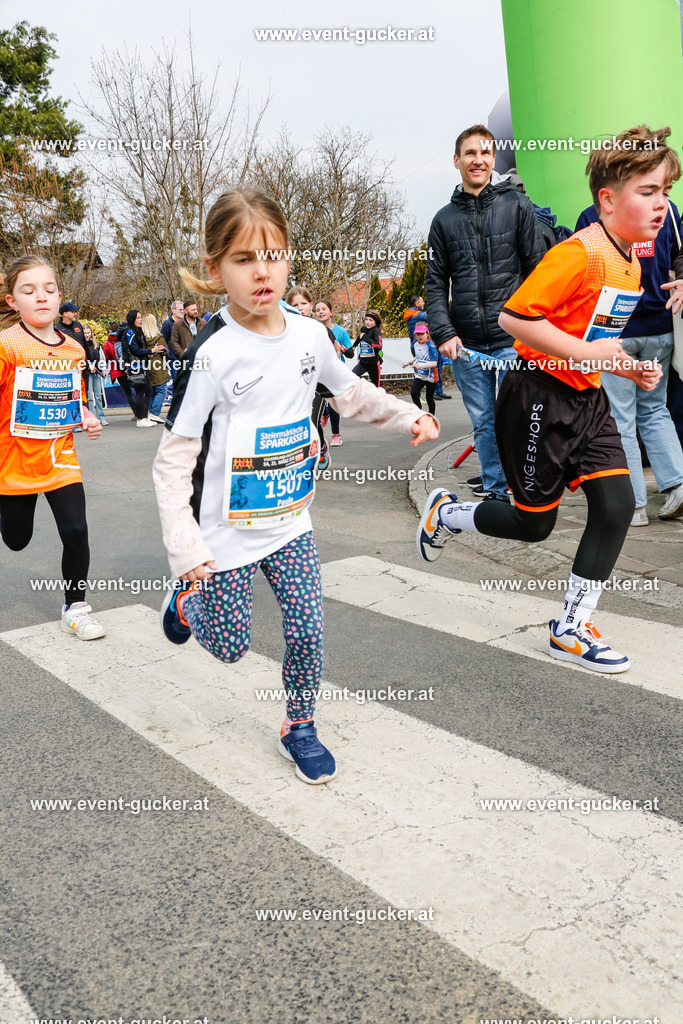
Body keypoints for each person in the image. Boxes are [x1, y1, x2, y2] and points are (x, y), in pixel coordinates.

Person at [153, 188, 439, 785]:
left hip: (290, 523)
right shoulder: (211, 353)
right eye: (244, 259)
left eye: (274, 255)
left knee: (307, 629)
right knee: (229, 647)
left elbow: (350, 393)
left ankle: (299, 725)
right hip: (225, 532)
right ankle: (185, 600)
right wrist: (185, 547)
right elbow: (173, 461)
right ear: (215, 269)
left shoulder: (310, 335)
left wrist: (408, 415)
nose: (263, 272)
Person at [417, 124, 682, 674]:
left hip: (587, 401)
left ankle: (571, 627)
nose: (662, 204)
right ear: (608, 199)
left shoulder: (632, 261)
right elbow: (515, 318)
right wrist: (591, 355)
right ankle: (447, 514)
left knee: (617, 505)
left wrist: (629, 367)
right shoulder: (578, 254)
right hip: (537, 396)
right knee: (533, 524)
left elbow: (594, 339)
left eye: (666, 191)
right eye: (648, 191)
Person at [427, 124, 546, 499]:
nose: (477, 160)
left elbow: (539, 272)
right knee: (483, 422)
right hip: (466, 345)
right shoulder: (443, 220)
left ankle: (522, 491)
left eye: (484, 153)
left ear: (493, 159)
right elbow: (435, 284)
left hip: (514, 339)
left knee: (517, 418)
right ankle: (497, 494)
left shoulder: (518, 206)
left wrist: (536, 328)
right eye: (470, 153)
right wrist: (444, 332)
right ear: (456, 160)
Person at [0, 255, 105, 639]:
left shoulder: (74, 350)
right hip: (13, 462)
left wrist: (86, 416)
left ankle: (75, 608)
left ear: (60, 296)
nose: (41, 297)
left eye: (49, 289)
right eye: (29, 291)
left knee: (76, 529)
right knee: (16, 540)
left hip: (59, 457)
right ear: (13, 301)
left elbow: (73, 399)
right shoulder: (6, 346)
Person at [575, 198, 683, 523]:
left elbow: (580, 275)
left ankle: (633, 505)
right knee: (655, 409)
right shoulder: (666, 208)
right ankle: (678, 485)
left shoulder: (592, 215)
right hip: (660, 327)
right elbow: (680, 254)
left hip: (615, 332)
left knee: (621, 418)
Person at [287, 285, 340, 470]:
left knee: (311, 421)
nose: (300, 308)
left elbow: (335, 350)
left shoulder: (319, 329)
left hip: (318, 385)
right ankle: (301, 457)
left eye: (303, 304)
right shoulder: (284, 330)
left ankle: (320, 447)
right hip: (295, 386)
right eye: (295, 305)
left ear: (311, 305)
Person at [313, 299, 352, 446]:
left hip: (334, 372)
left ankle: (336, 435)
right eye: (317, 310)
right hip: (317, 373)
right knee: (318, 401)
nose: (321, 312)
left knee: (333, 403)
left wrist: (341, 349)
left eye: (324, 309)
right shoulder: (312, 330)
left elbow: (350, 354)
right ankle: (325, 413)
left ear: (331, 312)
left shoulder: (340, 331)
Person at [124, 309, 164, 428]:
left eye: (141, 317)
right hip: (135, 367)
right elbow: (134, 350)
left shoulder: (138, 331)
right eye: (138, 318)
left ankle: (145, 417)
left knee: (149, 392)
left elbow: (140, 351)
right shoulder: (130, 332)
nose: (141, 319)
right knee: (141, 392)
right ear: (132, 320)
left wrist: (149, 354)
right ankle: (141, 418)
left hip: (142, 365)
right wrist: (151, 350)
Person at [403, 322, 438, 414]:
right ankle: (420, 411)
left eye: (422, 334)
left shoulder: (431, 346)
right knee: (414, 392)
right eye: (417, 334)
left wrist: (420, 365)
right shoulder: (416, 344)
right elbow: (418, 356)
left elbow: (435, 363)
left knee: (429, 398)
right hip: (420, 375)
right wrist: (410, 362)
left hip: (431, 376)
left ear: (427, 333)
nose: (419, 336)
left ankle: (431, 416)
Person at [103, 321, 136, 415]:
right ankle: (142, 412)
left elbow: (105, 358)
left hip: (118, 371)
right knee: (138, 390)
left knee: (128, 393)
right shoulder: (125, 338)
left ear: (110, 330)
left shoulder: (108, 343)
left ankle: (137, 413)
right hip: (130, 367)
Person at [141, 313, 169, 424]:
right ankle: (154, 413)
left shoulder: (141, 338)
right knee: (161, 390)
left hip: (146, 366)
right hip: (157, 367)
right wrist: (164, 350)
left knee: (151, 391)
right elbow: (165, 353)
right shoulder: (158, 337)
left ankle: (150, 412)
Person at [83, 324, 108, 426]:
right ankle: (92, 417)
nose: (87, 335)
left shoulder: (96, 344)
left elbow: (102, 358)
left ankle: (101, 417)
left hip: (97, 371)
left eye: (88, 332)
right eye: (85, 333)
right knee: (89, 397)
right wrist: (88, 366)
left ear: (91, 333)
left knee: (98, 396)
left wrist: (104, 370)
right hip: (87, 372)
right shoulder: (81, 345)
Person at [351, 310, 382, 387]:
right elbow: (359, 338)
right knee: (351, 377)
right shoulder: (364, 329)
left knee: (375, 387)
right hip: (363, 363)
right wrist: (353, 347)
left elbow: (379, 345)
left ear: (375, 322)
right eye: (366, 319)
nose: (367, 322)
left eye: (370, 320)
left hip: (373, 363)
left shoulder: (376, 331)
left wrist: (366, 338)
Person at [169, 299, 205, 365]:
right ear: (186, 311)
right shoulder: (178, 325)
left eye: (196, 309)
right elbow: (174, 341)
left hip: (202, 359)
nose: (196, 311)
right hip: (187, 361)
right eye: (193, 310)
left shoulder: (203, 323)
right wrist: (183, 354)